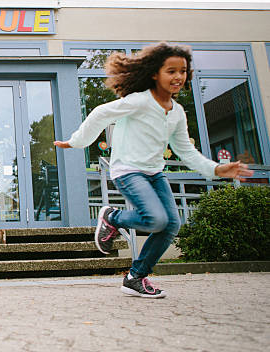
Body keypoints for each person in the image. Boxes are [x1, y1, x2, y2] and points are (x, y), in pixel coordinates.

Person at [54, 42, 253, 298]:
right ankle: (112, 218)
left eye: (182, 71)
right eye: (171, 71)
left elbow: (186, 150)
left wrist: (216, 169)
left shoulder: (177, 113)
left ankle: (135, 277)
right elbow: (101, 113)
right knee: (155, 219)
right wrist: (77, 142)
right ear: (154, 74)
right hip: (127, 170)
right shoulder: (139, 101)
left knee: (171, 224)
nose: (178, 77)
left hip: (154, 173)